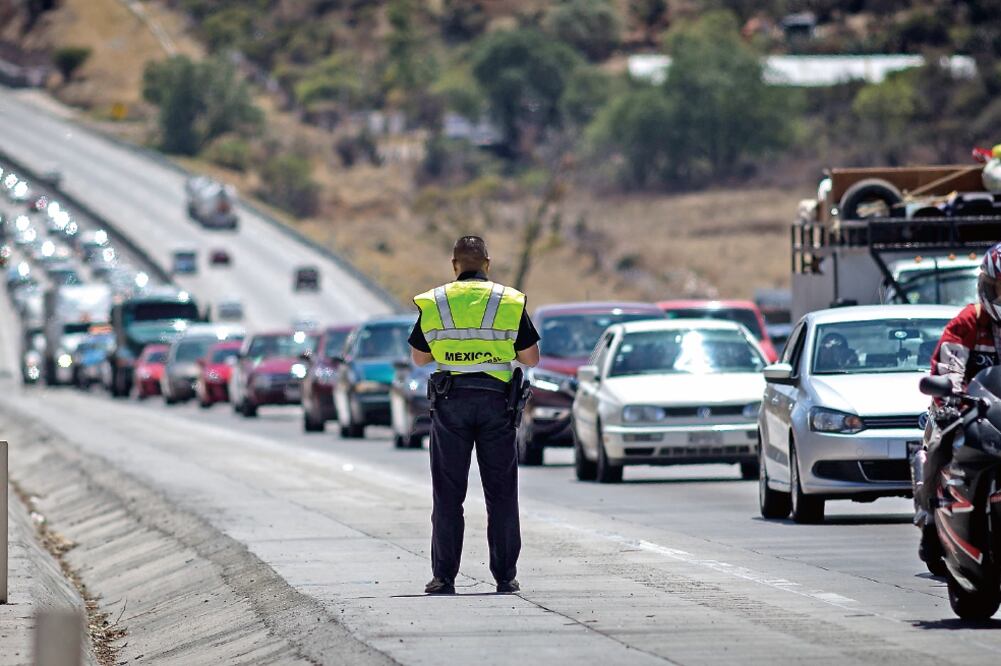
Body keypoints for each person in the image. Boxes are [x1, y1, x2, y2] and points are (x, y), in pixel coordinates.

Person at [409, 236, 540, 595]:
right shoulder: (507, 301)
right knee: (501, 493)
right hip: (498, 403)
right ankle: (505, 577)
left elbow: (419, 358)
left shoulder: (436, 301)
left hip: (451, 403)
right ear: (487, 263)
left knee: (448, 494)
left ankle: (444, 578)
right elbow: (531, 358)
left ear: (455, 265)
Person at [913, 242, 1001, 569]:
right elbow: (950, 366)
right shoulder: (967, 321)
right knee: (941, 442)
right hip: (969, 410)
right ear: (987, 286)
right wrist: (952, 397)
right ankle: (930, 520)